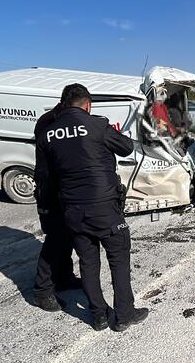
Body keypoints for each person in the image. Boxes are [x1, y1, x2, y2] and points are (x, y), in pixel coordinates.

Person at [35, 83, 148, 332]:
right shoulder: (97, 125)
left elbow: (44, 176)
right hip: (105, 208)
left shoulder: (47, 133)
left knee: (88, 263)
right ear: (88, 105)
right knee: (118, 260)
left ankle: (98, 316)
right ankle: (124, 315)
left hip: (72, 210)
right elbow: (127, 147)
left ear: (63, 104)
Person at [32, 90, 82, 312]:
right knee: (54, 240)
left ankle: (64, 277)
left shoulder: (60, 119)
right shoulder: (51, 122)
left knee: (67, 236)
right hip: (50, 190)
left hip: (64, 189)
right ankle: (43, 292)